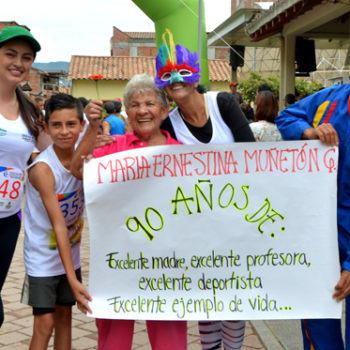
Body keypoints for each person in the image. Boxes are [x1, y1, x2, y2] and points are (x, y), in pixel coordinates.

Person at [155, 29, 255, 350]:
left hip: (237, 218)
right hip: (196, 225)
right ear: (162, 84)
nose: (176, 79)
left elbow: (251, 156)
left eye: (183, 72)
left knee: (234, 296)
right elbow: (161, 171)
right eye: (168, 75)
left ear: (196, 75)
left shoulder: (222, 102)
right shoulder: (169, 124)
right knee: (207, 296)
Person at [71, 73, 187, 350]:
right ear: (127, 113)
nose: (143, 110)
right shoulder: (113, 148)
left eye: (150, 103)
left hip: (167, 262)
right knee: (114, 338)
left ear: (164, 109)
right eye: (134, 105)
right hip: (118, 260)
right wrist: (91, 128)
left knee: (169, 338)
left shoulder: (184, 153)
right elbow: (77, 170)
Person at [275, 84, 349, 350]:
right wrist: (308, 131)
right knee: (319, 327)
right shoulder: (330, 100)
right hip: (320, 235)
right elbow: (286, 117)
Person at [21, 93, 92, 350]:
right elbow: (59, 224)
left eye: (71, 124)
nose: (64, 131)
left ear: (81, 126)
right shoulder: (42, 169)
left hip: (69, 257)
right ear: (46, 128)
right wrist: (73, 281)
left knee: (65, 320)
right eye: (56, 125)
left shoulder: (86, 161)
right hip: (42, 259)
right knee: (45, 324)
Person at [0, 25, 52, 329]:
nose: (18, 62)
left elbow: (57, 157)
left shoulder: (30, 112)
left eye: (26, 57)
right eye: (10, 54)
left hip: (7, 221)